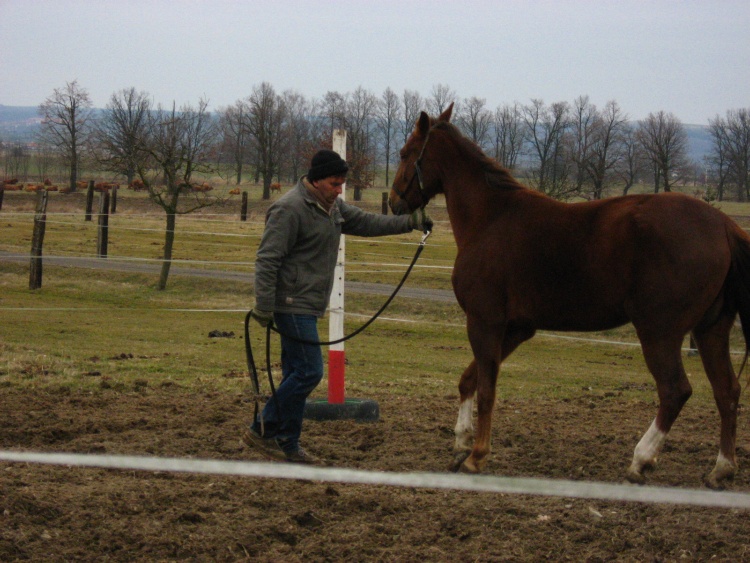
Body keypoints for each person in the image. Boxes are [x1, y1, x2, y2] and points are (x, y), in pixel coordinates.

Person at [243, 149, 432, 463]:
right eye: (334, 183)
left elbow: (369, 222)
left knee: (295, 372)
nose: (340, 189)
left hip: (308, 304)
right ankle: (262, 428)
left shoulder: (333, 208)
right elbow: (267, 259)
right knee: (310, 372)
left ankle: (287, 443)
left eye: (342, 183)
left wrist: (408, 223)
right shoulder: (289, 209)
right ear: (316, 181)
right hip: (290, 303)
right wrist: (264, 305)